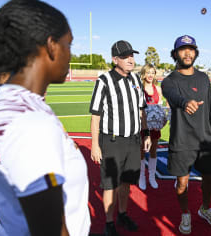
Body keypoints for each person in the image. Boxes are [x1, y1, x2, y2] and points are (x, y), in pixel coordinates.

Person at [0, 1, 91, 235]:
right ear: (51, 46)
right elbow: (49, 228)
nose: (70, 54)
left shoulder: (3, 102)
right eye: (68, 44)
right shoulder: (29, 122)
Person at [161, 35, 211, 235]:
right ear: (175, 53)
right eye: (182, 49)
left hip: (205, 139)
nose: (188, 53)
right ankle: (185, 213)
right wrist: (185, 102)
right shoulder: (169, 81)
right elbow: (173, 96)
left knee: (208, 179)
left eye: (191, 49)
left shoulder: (203, 78)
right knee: (181, 184)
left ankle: (205, 208)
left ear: (196, 53)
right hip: (182, 139)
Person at [90, 40, 151, 236]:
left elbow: (142, 110)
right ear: (115, 59)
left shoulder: (135, 80)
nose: (130, 59)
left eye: (131, 55)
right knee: (110, 184)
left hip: (133, 140)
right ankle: (109, 223)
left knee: (126, 182)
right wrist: (94, 144)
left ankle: (122, 214)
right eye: (125, 56)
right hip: (113, 140)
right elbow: (96, 115)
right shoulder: (104, 81)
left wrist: (146, 133)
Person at [139, 64, 164, 190]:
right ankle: (141, 177)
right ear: (144, 73)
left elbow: (161, 107)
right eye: (148, 72)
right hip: (142, 125)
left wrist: (162, 119)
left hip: (154, 126)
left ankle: (151, 177)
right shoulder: (139, 88)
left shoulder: (158, 89)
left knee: (153, 151)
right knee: (142, 151)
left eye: (152, 72)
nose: (150, 75)